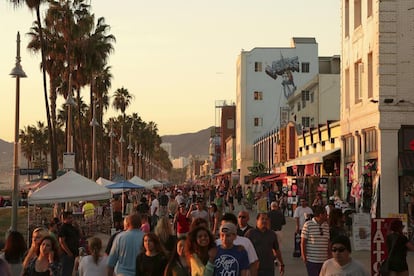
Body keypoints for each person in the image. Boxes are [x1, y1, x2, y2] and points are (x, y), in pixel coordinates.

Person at [300, 205, 330, 276]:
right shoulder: (308, 225)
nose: (327, 216)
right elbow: (303, 242)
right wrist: (304, 257)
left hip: (324, 260)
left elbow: (328, 242)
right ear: (321, 215)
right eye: (326, 214)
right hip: (312, 260)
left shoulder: (326, 225)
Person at [59, 211, 81, 276]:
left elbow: (80, 235)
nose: (71, 219)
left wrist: (78, 226)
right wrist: (69, 253)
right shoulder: (63, 228)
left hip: (74, 253)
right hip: (67, 255)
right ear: (65, 219)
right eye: (69, 218)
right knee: (67, 272)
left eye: (72, 218)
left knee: (74, 272)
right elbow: (62, 241)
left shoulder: (72, 227)